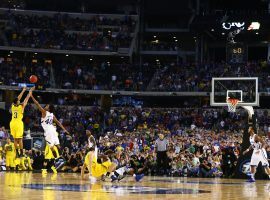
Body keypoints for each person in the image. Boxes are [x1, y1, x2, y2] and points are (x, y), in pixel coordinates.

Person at [30, 94, 69, 159]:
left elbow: (37, 104)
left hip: (48, 132)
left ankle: (57, 159)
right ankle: (62, 157)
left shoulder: (44, 112)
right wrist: (64, 129)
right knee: (58, 146)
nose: (46, 106)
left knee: (51, 147)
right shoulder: (52, 115)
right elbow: (58, 123)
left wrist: (31, 96)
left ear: (49, 108)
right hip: (53, 130)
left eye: (47, 106)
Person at [10, 86, 34, 157]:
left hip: (12, 123)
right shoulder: (22, 106)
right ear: (17, 102)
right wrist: (30, 91)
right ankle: (21, 153)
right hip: (18, 124)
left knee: (15, 139)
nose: (19, 100)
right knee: (20, 139)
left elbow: (18, 98)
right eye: (18, 101)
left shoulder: (13, 106)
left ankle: (16, 152)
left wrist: (23, 90)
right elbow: (27, 98)